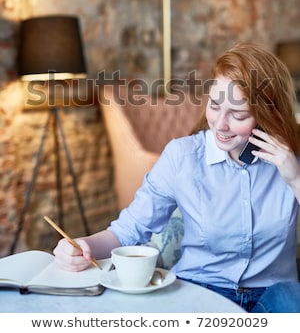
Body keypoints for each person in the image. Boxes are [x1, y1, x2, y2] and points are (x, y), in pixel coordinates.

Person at [53, 43, 300, 312]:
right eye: (215, 106)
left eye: (238, 114)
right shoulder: (182, 157)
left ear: (268, 116)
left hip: (276, 292)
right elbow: (127, 230)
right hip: (202, 289)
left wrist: (294, 178)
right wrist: (82, 246)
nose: (221, 124)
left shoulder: (292, 156)